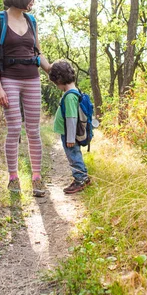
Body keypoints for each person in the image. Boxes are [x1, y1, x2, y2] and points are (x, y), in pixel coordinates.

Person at [0, 0, 51, 197]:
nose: (33, 1)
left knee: (34, 130)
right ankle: (13, 178)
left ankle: (37, 179)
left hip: (32, 78)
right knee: (14, 128)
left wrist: (51, 70)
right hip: (9, 79)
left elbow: (38, 52)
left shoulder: (32, 21)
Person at [48, 60, 92, 194]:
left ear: (59, 79)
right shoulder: (75, 91)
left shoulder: (70, 96)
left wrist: (71, 137)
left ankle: (81, 179)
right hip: (68, 134)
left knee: (73, 156)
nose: (57, 86)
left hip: (69, 134)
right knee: (74, 155)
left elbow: (71, 118)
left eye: (56, 83)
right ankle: (82, 177)